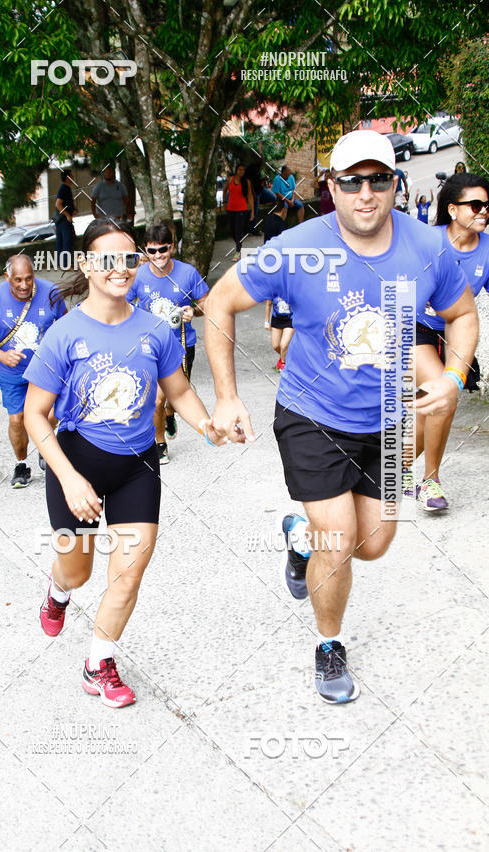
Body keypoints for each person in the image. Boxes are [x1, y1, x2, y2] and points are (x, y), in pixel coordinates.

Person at [204, 129, 477, 704]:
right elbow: (219, 302)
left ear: (395, 185)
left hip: (391, 417)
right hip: (313, 415)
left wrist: (453, 376)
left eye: (379, 179)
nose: (366, 193)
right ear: (331, 187)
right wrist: (227, 396)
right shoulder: (299, 245)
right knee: (339, 539)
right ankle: (330, 644)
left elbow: (462, 314)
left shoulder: (429, 247)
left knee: (373, 544)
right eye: (351, 181)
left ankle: (298, 537)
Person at [23, 220, 222, 708]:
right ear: (87, 265)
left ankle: (98, 663)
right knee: (79, 572)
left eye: (129, 258)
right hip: (78, 465)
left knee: (128, 575)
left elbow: (177, 390)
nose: (122, 268)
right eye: (109, 259)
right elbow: (34, 413)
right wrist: (68, 478)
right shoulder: (64, 334)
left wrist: (207, 425)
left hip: (138, 466)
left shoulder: (156, 328)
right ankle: (59, 589)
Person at [410, 173, 489, 511]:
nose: (484, 211)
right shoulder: (427, 241)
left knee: (440, 404)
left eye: (487, 205)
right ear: (454, 210)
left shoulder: (487, 249)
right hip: (417, 329)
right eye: (476, 205)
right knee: (439, 396)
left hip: (457, 332)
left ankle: (385, 470)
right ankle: (427, 482)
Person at [0, 253, 67, 487]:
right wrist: (0, 354)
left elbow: (66, 325)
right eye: (18, 280)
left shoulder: (50, 292)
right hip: (12, 373)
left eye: (29, 279)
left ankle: (44, 444)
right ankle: (22, 463)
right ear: (7, 277)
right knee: (17, 420)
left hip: (46, 369)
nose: (24, 285)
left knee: (53, 413)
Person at [126, 223, 209, 463]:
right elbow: (124, 306)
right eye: (151, 251)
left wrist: (194, 310)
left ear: (172, 247)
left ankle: (170, 414)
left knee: (173, 398)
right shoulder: (138, 276)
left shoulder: (187, 273)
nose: (158, 256)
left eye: (162, 249)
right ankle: (159, 443)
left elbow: (207, 302)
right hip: (150, 348)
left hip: (182, 345)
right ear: (145, 251)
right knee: (156, 400)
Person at [224, 165, 254, 261]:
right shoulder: (230, 179)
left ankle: (238, 251)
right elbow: (224, 190)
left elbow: (250, 197)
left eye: (243, 170)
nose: (242, 171)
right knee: (232, 230)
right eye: (240, 169)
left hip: (241, 209)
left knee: (238, 231)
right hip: (231, 209)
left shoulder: (246, 182)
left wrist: (252, 211)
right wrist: (224, 202)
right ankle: (239, 244)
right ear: (236, 170)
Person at [264, 297, 294, 371]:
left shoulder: (292, 287)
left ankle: (284, 365)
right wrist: (266, 322)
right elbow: (268, 305)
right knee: (276, 345)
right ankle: (286, 357)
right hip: (276, 320)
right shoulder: (273, 289)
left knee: (284, 345)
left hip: (290, 319)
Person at [54, 169, 77, 268]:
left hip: (60, 220)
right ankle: (65, 265)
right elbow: (58, 204)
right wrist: (68, 215)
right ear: (67, 178)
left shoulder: (65, 188)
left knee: (60, 242)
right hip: (64, 220)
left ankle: (60, 264)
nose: (73, 177)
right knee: (66, 242)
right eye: (71, 176)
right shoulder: (64, 188)